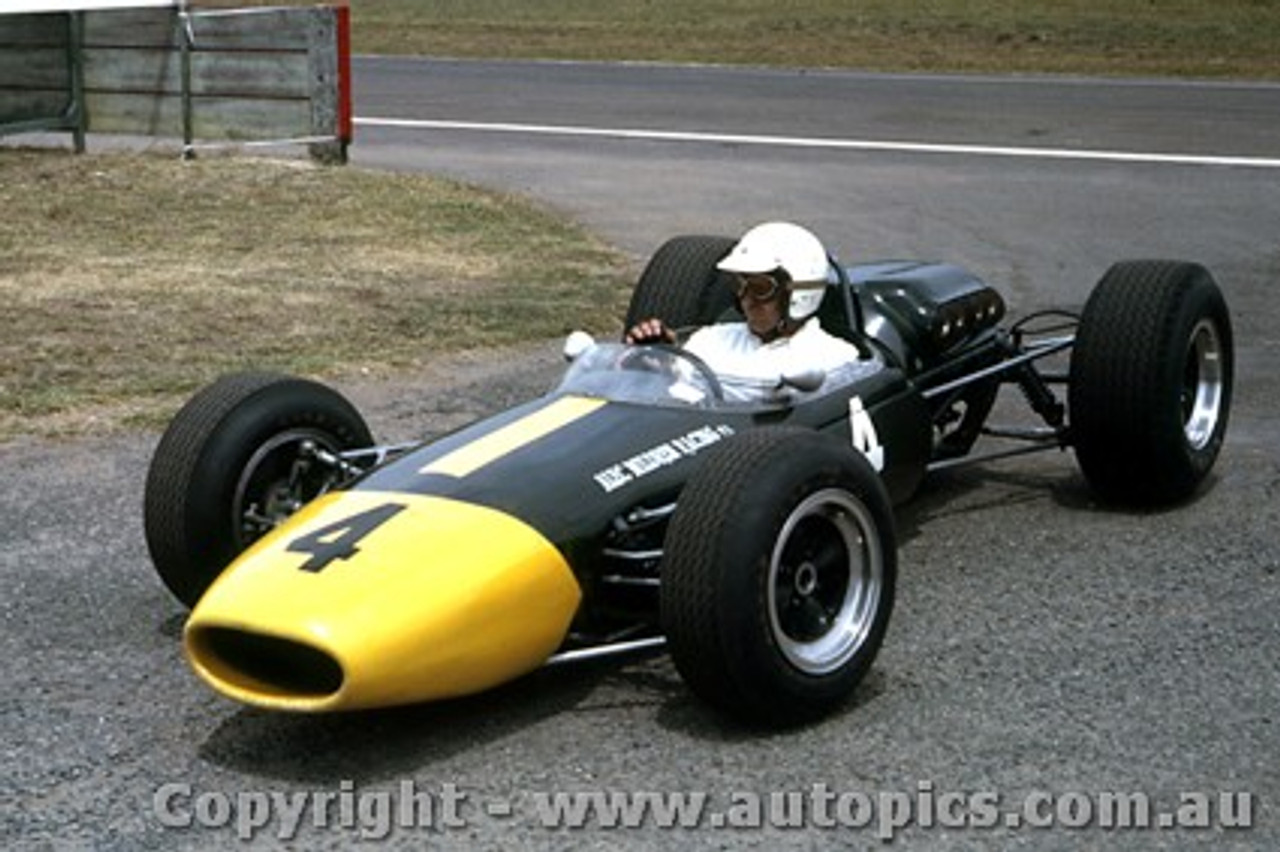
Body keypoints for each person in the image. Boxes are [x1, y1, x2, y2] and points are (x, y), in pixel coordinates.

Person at [624, 221, 869, 401]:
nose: (746, 299)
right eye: (740, 286)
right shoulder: (712, 338)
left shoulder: (833, 356)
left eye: (760, 288)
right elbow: (674, 382)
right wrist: (660, 356)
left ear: (798, 294)